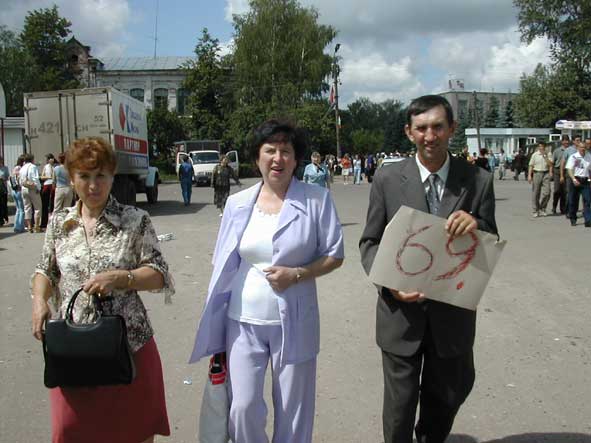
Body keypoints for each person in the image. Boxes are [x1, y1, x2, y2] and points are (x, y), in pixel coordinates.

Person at [189, 119, 344, 443]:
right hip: (242, 321)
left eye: (286, 151)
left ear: (296, 158)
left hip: (295, 321)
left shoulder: (317, 200)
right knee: (242, 407)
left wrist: (298, 274)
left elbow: (335, 254)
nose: (278, 158)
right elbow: (223, 262)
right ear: (257, 157)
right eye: (270, 150)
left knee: (293, 410)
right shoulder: (237, 204)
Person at [359, 95, 498, 443]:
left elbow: (491, 236)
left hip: (452, 316)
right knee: (399, 409)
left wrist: (476, 225)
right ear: (409, 132)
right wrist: (389, 284)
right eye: (421, 128)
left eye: (438, 126)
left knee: (447, 399)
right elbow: (370, 242)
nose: (430, 136)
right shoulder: (388, 179)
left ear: (452, 129)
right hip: (401, 317)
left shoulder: (478, 179)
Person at [31, 137, 174, 443]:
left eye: (101, 176)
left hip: (129, 348)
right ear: (72, 178)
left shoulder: (134, 220)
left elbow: (159, 275)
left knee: (134, 432)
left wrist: (122, 278)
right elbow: (45, 270)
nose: (93, 185)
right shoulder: (59, 224)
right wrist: (39, 301)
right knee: (71, 431)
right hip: (72, 350)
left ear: (113, 176)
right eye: (84, 176)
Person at [565, 138, 591, 227]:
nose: (583, 149)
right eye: (581, 147)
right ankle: (573, 218)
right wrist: (573, 179)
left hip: (585, 181)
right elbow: (569, 169)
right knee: (573, 201)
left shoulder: (589, 156)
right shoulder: (573, 157)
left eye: (584, 147)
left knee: (587, 200)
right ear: (578, 148)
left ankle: (588, 220)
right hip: (575, 179)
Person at [19, 153, 42, 233]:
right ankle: (36, 226)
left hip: (24, 188)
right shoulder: (33, 167)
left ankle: (29, 226)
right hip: (32, 188)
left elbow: (20, 180)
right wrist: (38, 188)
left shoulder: (22, 168)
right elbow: (35, 178)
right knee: (37, 208)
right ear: (32, 159)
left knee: (27, 208)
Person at [528, 141, 552, 217]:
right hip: (537, 173)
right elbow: (531, 165)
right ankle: (535, 210)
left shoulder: (548, 154)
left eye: (542, 146)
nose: (541, 148)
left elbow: (550, 164)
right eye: (539, 146)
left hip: (546, 173)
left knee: (547, 192)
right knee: (536, 193)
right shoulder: (535, 155)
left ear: (545, 147)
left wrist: (545, 156)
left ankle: (543, 208)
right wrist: (529, 175)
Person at [560, 135, 579, 219]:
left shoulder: (582, 150)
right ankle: (568, 211)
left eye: (579, 140)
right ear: (573, 141)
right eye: (577, 140)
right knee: (569, 193)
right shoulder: (568, 150)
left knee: (577, 194)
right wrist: (561, 175)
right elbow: (563, 163)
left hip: (579, 174)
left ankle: (574, 211)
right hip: (569, 174)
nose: (578, 142)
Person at [551, 136, 569, 214]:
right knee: (557, 190)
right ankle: (554, 206)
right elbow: (552, 162)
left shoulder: (570, 150)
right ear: (562, 142)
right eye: (564, 141)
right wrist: (551, 172)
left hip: (567, 171)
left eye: (567, 141)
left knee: (565, 191)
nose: (566, 142)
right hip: (557, 171)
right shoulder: (557, 151)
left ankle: (563, 208)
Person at [8, 156, 26, 233]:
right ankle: (20, 227)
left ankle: (16, 226)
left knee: (18, 209)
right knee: (22, 210)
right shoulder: (20, 169)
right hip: (18, 190)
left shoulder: (14, 168)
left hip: (13, 190)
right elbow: (20, 179)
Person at [40, 153, 56, 229]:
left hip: (53, 185)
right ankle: (44, 223)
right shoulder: (46, 167)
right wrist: (48, 177)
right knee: (45, 204)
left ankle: (53, 222)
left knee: (53, 204)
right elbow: (42, 177)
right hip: (47, 184)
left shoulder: (55, 166)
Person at [0, 156, 9, 226]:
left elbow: (8, 177)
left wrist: (3, 179)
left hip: (3, 188)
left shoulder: (5, 168)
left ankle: (4, 218)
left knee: (4, 204)